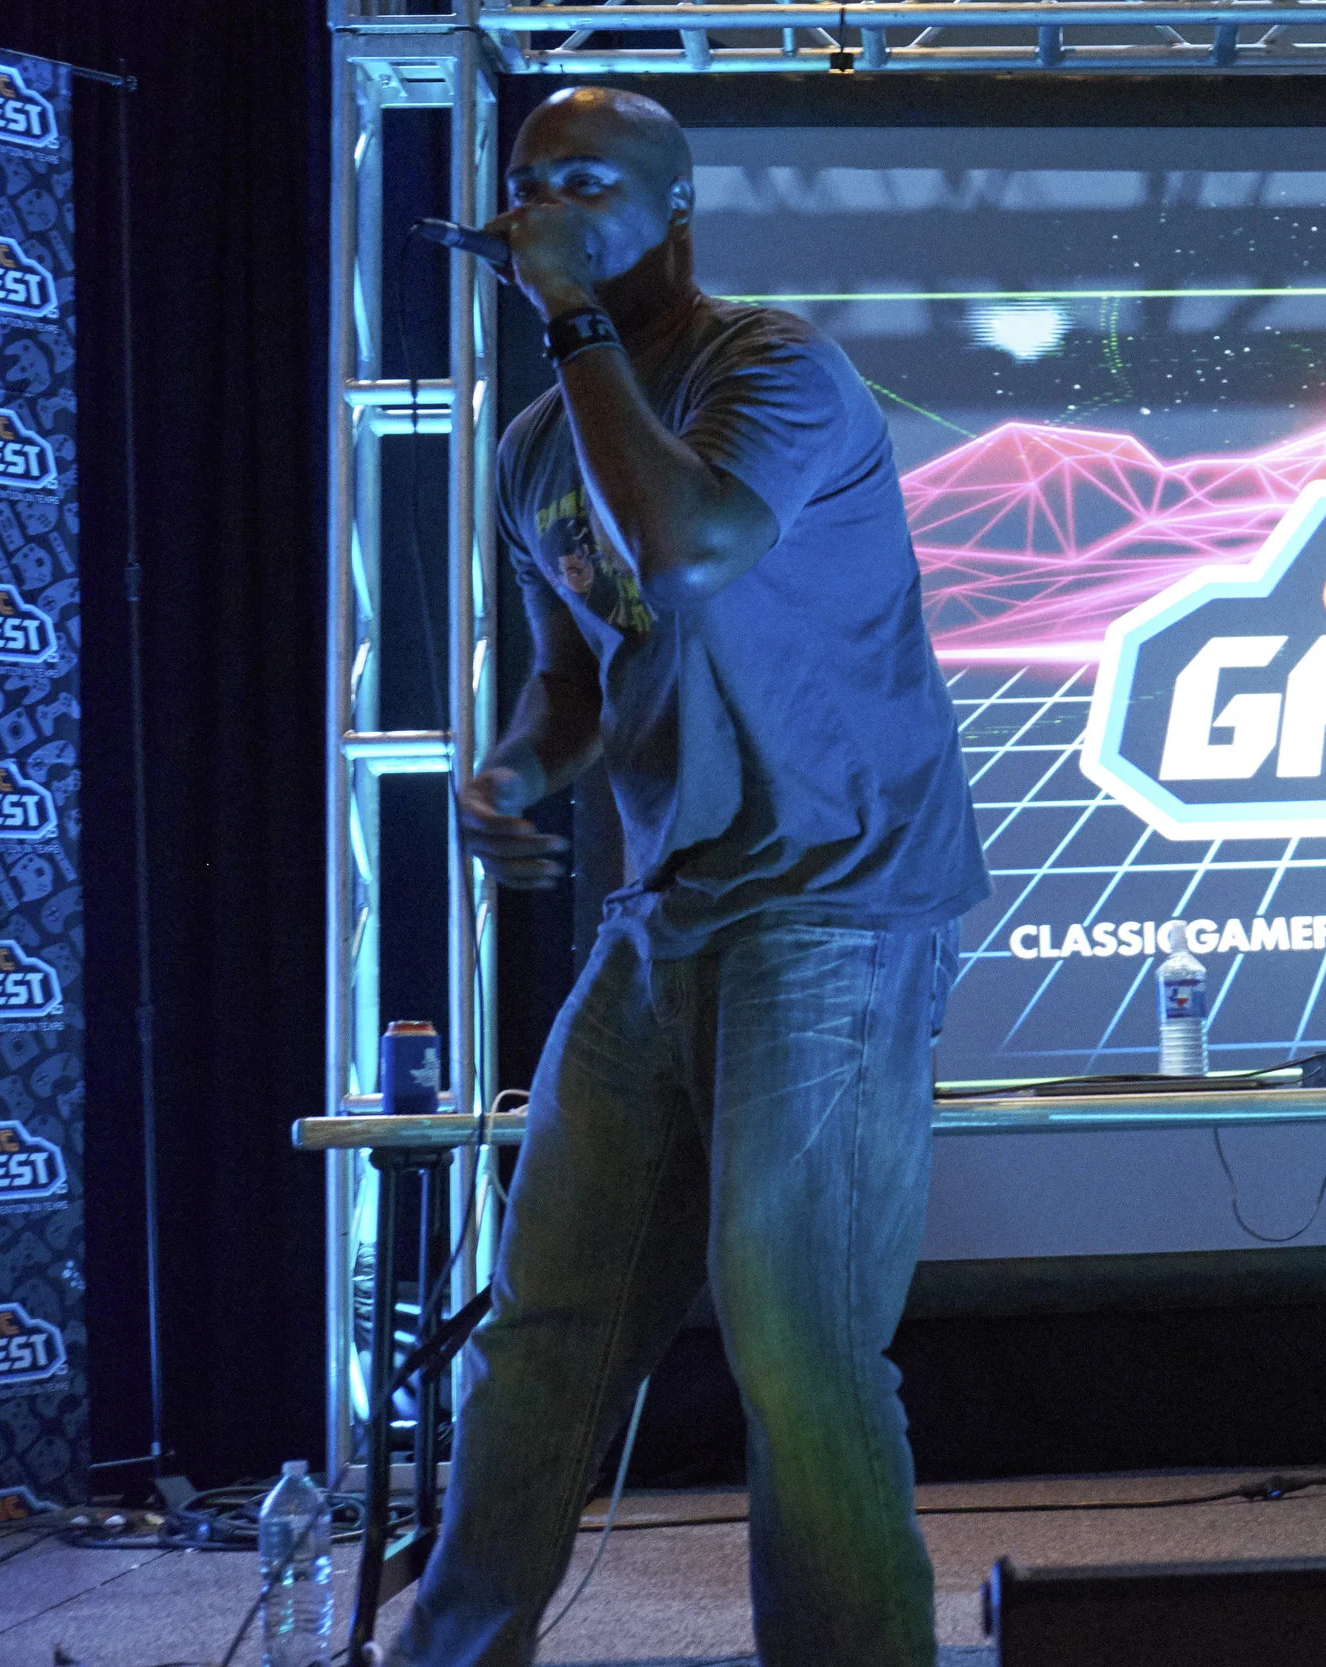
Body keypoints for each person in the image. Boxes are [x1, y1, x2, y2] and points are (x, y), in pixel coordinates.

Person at [390, 86, 987, 1667]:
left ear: (675, 210)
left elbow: (693, 545)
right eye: (529, 182)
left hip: (835, 896)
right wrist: (514, 772)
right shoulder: (535, 445)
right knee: (542, 1329)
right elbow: (577, 678)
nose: (545, 205)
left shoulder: (773, 367)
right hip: (665, 908)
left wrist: (575, 319)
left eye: (586, 182)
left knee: (797, 1339)